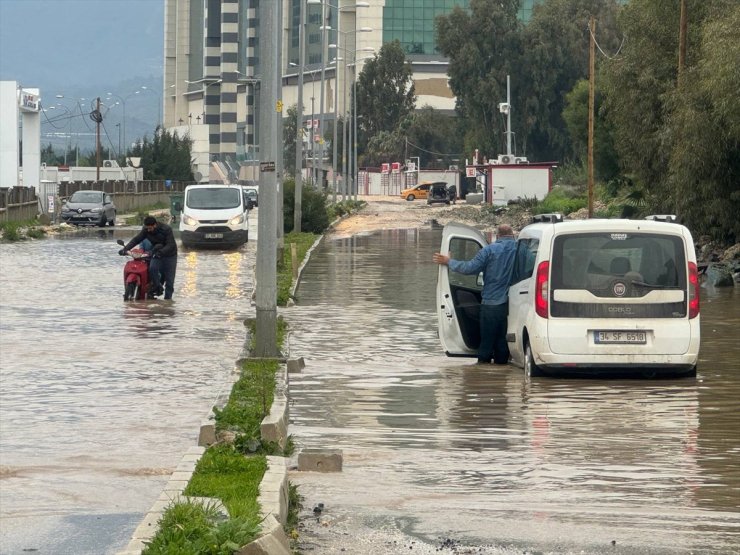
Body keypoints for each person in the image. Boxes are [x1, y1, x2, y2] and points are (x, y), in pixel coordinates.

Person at [433, 224, 517, 364]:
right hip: (513, 304)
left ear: (497, 235)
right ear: (512, 234)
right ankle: (502, 375)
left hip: (491, 304)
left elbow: (469, 268)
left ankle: (482, 375)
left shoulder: (489, 251)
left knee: (486, 343)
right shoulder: (520, 249)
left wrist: (449, 261)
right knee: (503, 343)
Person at [119, 215, 178, 300]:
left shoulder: (166, 229)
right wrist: (125, 249)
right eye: (147, 228)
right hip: (156, 252)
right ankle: (157, 287)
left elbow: (171, 245)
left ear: (155, 225)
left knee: (169, 282)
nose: (148, 230)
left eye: (150, 228)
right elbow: (136, 240)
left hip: (170, 255)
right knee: (152, 268)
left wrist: (160, 252)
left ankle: (167, 305)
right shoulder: (146, 230)